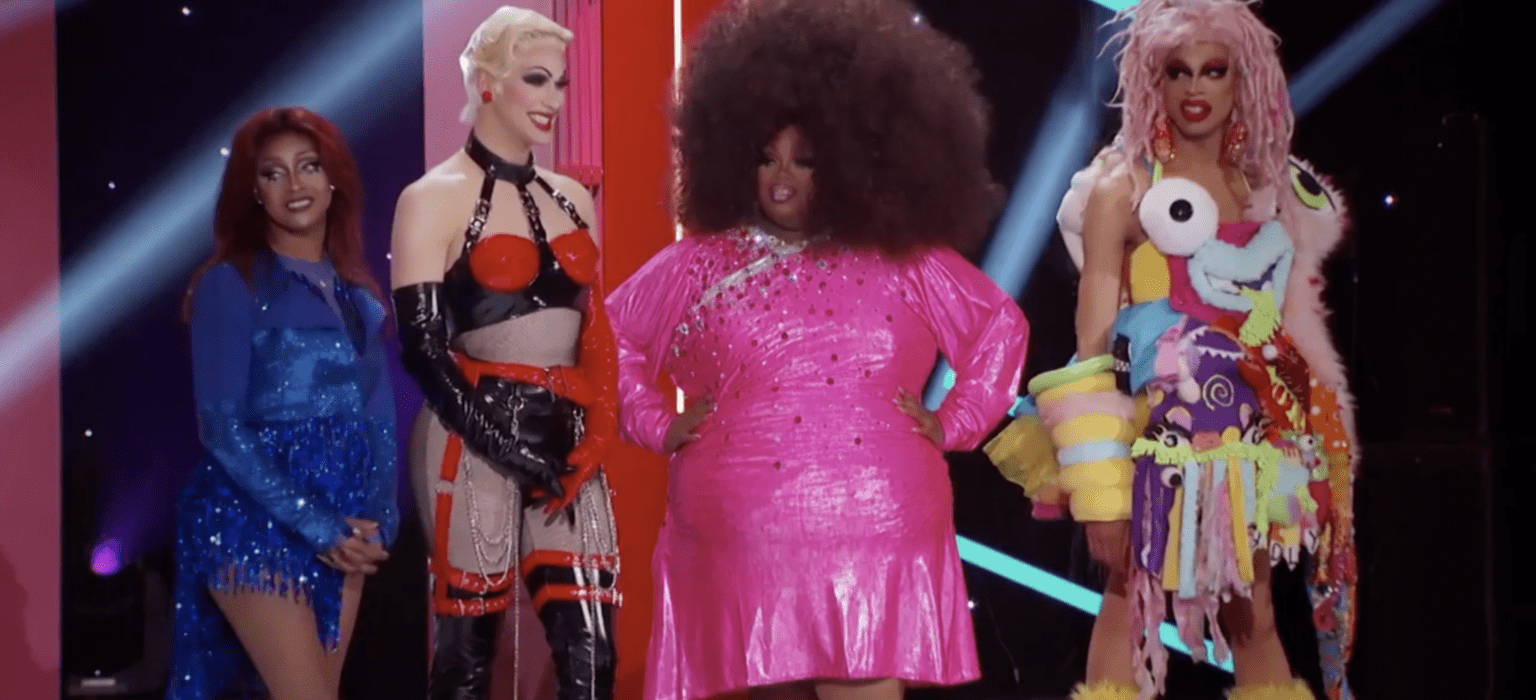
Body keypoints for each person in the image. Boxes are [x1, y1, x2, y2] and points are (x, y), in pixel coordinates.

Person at [607, 2, 1028, 699]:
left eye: (805, 161)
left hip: (874, 520)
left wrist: (956, 420)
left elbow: (999, 328)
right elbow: (608, 338)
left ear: (849, 161)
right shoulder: (697, 264)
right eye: (765, 158)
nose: (782, 177)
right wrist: (653, 422)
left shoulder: (903, 258)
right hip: (740, 527)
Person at [984, 2, 1358, 699]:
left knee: (1254, 612)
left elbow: (1291, 334)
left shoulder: (1267, 192)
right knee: (1128, 597)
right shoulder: (1121, 188)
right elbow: (1092, 345)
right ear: (1152, 80)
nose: (1195, 88)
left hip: (1249, 439)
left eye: (1213, 70)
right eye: (1177, 71)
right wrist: (1099, 488)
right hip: (1148, 435)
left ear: (1241, 78)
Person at [388, 7, 619, 700]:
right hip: (470, 433)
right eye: (536, 79)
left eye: (561, 83)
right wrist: (506, 446)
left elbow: (595, 331)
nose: (553, 99)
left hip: (567, 435)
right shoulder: (429, 199)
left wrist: (598, 431)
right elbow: (423, 351)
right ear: (486, 82)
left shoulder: (575, 198)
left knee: (593, 657)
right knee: (466, 658)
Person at [167, 106, 398, 700]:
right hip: (250, 520)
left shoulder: (358, 296)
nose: (295, 184)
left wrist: (380, 519)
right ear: (254, 191)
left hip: (345, 518)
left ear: (334, 178)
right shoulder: (229, 283)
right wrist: (316, 525)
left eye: (309, 166)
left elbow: (377, 417)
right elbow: (220, 429)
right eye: (273, 173)